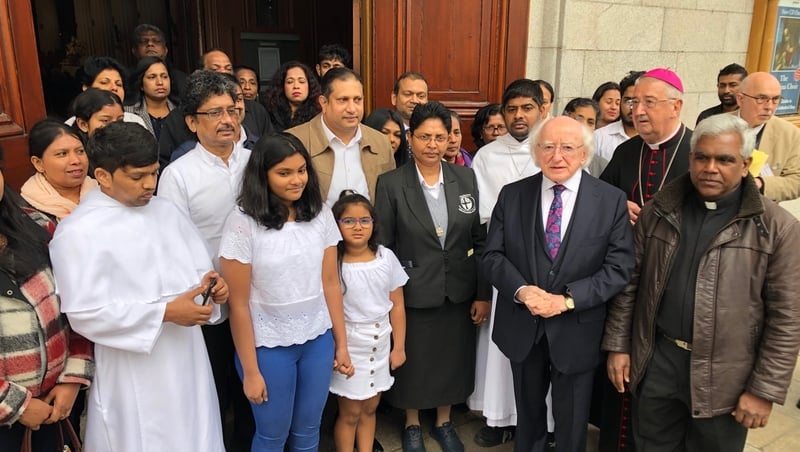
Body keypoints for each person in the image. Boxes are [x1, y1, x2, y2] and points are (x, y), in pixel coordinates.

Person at [603, 113, 800, 451]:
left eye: (725, 159)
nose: (710, 168)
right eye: (702, 157)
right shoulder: (659, 211)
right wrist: (619, 346)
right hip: (659, 362)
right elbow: (630, 284)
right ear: (691, 159)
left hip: (727, 377)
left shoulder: (776, 228)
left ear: (745, 165)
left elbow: (787, 318)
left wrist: (764, 390)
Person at [49, 121, 228, 451]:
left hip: (187, 355)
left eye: (154, 173)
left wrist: (213, 290)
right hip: (131, 365)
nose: (150, 184)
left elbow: (201, 271)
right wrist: (165, 313)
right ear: (103, 176)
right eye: (137, 177)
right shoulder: (79, 232)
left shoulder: (168, 211)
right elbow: (85, 314)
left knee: (196, 428)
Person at [482, 116, 634, 452]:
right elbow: (492, 256)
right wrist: (522, 291)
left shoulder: (610, 200)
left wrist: (566, 300)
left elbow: (619, 268)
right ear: (536, 152)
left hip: (578, 329)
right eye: (548, 147)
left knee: (573, 420)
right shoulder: (513, 195)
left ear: (584, 154)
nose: (557, 156)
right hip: (523, 326)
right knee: (528, 417)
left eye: (567, 147)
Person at [219, 132, 351, 451]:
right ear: (262, 176)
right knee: (272, 435)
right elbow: (238, 305)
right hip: (268, 346)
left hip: (318, 339)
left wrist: (342, 344)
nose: (297, 180)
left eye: (302, 170)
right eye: (284, 173)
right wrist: (251, 371)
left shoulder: (320, 213)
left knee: (309, 430)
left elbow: (331, 283)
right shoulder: (243, 223)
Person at [375, 101, 490, 452]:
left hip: (458, 288)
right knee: (415, 360)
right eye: (425, 136)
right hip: (412, 290)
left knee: (452, 358)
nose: (433, 145)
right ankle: (411, 423)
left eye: (441, 137)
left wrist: (483, 293)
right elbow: (384, 245)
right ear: (411, 138)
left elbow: (478, 239)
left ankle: (444, 420)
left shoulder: (465, 178)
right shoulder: (391, 183)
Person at [157, 69, 255, 450]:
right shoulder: (177, 176)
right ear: (191, 122)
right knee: (214, 389)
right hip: (207, 300)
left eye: (232, 110)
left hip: (256, 298)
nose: (227, 119)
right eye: (214, 113)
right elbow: (173, 242)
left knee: (252, 386)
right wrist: (209, 282)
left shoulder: (255, 163)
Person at [468, 79, 545, 449]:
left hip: (549, 268)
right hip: (506, 266)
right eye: (511, 109)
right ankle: (500, 418)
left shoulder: (553, 147)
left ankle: (543, 424)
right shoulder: (487, 156)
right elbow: (484, 217)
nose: (518, 116)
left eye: (527, 108)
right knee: (501, 350)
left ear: (542, 110)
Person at [0, 161, 93, 452]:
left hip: (55, 407)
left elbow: (77, 307)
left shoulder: (37, 226)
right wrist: (15, 405)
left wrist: (72, 380)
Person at [329, 191, 408, 452]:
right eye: (348, 221)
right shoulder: (333, 263)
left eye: (365, 220)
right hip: (350, 345)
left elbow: (397, 305)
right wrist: (338, 349)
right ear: (336, 224)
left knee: (371, 407)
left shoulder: (385, 257)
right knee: (350, 411)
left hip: (381, 341)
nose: (358, 227)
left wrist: (399, 347)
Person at [287, 67, 395, 206]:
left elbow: (389, 199)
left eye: (357, 100)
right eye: (343, 100)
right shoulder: (294, 141)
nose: (352, 109)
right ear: (324, 103)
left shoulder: (380, 142)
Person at [600, 68, 692, 224]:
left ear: (675, 107)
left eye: (649, 102)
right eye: (634, 102)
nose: (638, 111)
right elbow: (600, 194)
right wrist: (617, 205)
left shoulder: (700, 152)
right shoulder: (625, 151)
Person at [735, 71, 800, 201]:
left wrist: (760, 183)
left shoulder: (791, 134)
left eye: (775, 99)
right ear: (740, 99)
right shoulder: (715, 126)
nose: (769, 107)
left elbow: (796, 181)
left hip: (761, 208)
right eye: (761, 98)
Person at [21, 119, 98, 221]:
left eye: (80, 151)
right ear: (38, 163)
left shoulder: (104, 192)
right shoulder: (25, 212)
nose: (76, 160)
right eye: (62, 154)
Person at [66, 56, 147, 129]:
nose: (114, 88)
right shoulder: (70, 127)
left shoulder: (135, 121)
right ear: (86, 88)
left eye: (119, 84)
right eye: (104, 82)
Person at [591, 70, 644, 176]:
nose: (633, 108)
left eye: (638, 101)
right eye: (628, 101)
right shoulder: (599, 137)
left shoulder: (655, 141)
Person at [123, 56, 177, 140]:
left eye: (164, 76)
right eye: (152, 77)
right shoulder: (128, 113)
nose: (160, 82)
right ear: (141, 84)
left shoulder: (181, 110)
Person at [130, 23, 188, 99]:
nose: (150, 44)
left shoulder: (180, 78)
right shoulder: (126, 78)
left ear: (165, 50)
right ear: (134, 51)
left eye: (156, 41)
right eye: (143, 41)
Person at [263, 61, 322, 130]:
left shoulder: (319, 116)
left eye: (301, 81)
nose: (296, 86)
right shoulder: (269, 114)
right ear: (282, 86)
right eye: (290, 82)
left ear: (310, 85)